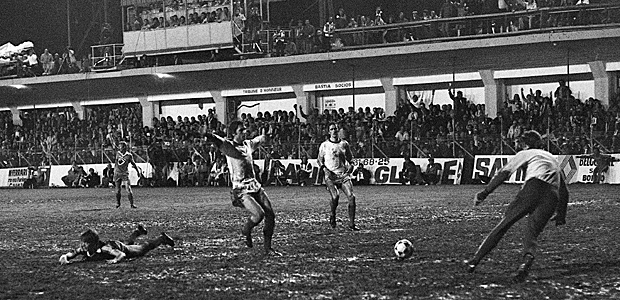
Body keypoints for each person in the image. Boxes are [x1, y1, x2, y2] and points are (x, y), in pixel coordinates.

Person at [465, 130, 569, 282]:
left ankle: (475, 260)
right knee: (531, 233)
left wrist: (484, 193)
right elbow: (564, 191)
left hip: (533, 188)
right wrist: (561, 214)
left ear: (526, 144)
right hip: (552, 196)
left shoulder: (525, 153)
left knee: (504, 225)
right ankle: (526, 262)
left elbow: (503, 174)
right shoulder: (552, 158)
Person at [203, 121, 281, 256]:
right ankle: (246, 229)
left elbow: (261, 139)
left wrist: (267, 133)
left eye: (245, 129)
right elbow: (215, 140)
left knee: (270, 215)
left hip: (255, 185)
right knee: (259, 214)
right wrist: (206, 133)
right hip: (241, 189)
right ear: (233, 133)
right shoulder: (229, 146)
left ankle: (268, 248)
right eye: (241, 130)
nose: (244, 132)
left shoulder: (247, 144)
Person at [59, 225, 174, 265]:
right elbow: (71, 254)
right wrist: (65, 257)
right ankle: (138, 232)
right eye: (82, 243)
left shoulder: (104, 248)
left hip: (119, 247)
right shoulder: (85, 248)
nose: (82, 246)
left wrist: (115, 260)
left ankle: (162, 238)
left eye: (85, 244)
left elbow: (121, 254)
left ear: (92, 244)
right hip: (116, 245)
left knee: (142, 249)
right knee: (128, 243)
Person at [317, 122, 358, 231]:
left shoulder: (344, 144)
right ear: (328, 132)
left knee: (352, 197)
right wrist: (325, 169)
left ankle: (351, 224)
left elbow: (351, 158)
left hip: (343, 175)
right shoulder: (324, 145)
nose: (334, 131)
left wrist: (352, 165)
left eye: (336, 129)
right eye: (332, 129)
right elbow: (319, 160)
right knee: (335, 197)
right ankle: (333, 214)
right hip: (331, 177)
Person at [114, 141, 141, 208]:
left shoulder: (129, 155)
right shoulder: (117, 153)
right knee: (117, 189)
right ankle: (118, 203)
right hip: (117, 173)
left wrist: (138, 172)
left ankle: (132, 204)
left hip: (124, 174)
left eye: (120, 146)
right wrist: (114, 171)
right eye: (119, 146)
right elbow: (116, 163)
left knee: (128, 188)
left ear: (124, 147)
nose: (119, 148)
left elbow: (133, 164)